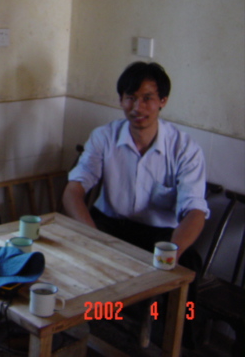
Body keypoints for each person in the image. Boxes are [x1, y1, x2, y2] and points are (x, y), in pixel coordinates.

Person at [62, 61, 208, 347]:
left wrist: (172, 253)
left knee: (189, 270)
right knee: (69, 254)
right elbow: (73, 190)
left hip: (160, 237)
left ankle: (175, 342)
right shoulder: (104, 136)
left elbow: (195, 210)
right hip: (107, 224)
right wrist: (91, 236)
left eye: (147, 98)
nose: (137, 107)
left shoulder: (184, 148)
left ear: (162, 101)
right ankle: (79, 328)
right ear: (120, 100)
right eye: (130, 97)